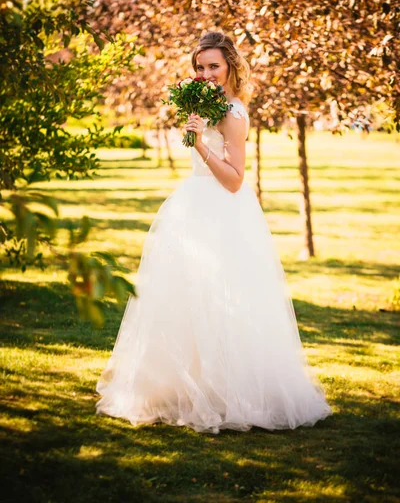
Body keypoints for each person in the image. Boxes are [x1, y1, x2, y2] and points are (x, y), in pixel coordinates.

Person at [96, 31, 332, 434]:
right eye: (200, 67)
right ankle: (184, 386)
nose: (205, 74)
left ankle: (231, 393)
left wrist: (202, 142)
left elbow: (236, 180)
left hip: (224, 213)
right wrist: (194, 129)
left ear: (230, 68)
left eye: (213, 67)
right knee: (183, 299)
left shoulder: (234, 113)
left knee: (226, 300)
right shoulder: (200, 102)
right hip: (190, 208)